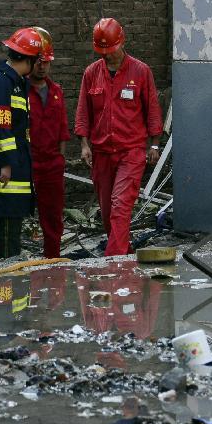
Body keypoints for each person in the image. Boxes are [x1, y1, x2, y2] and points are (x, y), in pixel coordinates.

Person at [74, 18, 163, 256]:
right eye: (103, 51)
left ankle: (114, 261)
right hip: (102, 151)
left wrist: (154, 143)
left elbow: (152, 109)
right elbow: (83, 110)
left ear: (121, 42)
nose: (108, 56)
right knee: (107, 210)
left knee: (120, 205)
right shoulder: (92, 73)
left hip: (131, 150)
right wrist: (84, 144)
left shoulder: (141, 72)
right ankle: (124, 247)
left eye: (111, 50)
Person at [0, 27, 43, 258]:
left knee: (10, 222)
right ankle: (6, 281)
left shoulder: (15, 83)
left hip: (15, 166)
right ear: (30, 58)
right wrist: (6, 164)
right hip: (5, 171)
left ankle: (3, 278)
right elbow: (0, 127)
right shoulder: (1, 84)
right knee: (8, 225)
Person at [27, 27, 69, 258]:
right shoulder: (19, 90)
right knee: (14, 211)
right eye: (39, 62)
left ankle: (52, 256)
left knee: (52, 215)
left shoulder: (56, 91)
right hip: (28, 161)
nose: (42, 67)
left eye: (46, 63)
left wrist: (60, 159)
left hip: (51, 164)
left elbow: (63, 128)